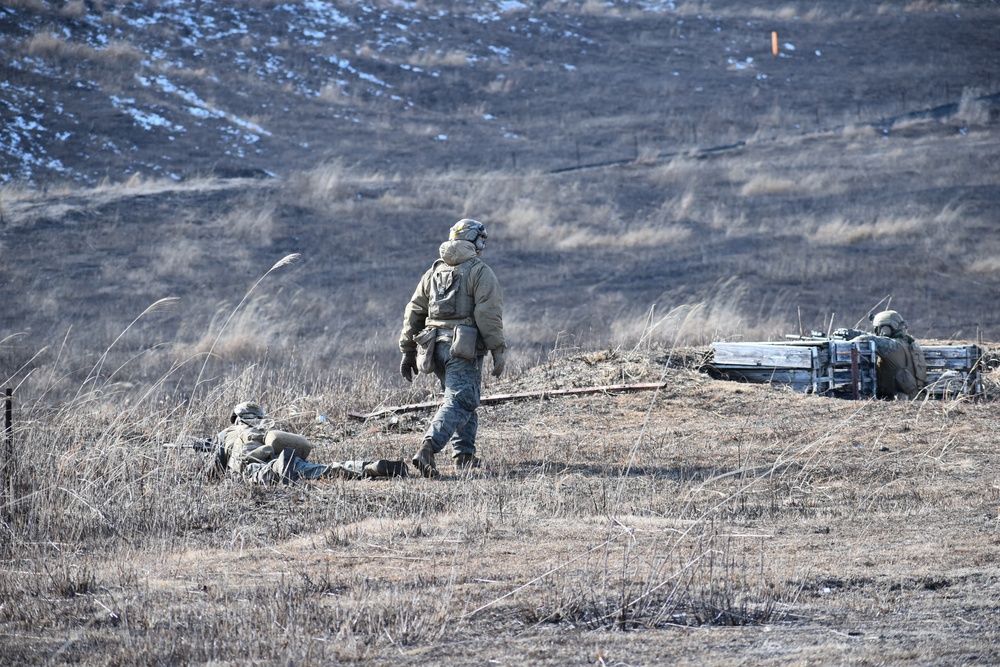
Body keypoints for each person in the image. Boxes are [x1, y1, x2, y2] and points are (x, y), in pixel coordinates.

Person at [398, 219, 506, 477]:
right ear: (474, 241)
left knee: (462, 398)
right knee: (462, 399)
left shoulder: (433, 272)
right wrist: (498, 350)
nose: (483, 245)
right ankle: (428, 448)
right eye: (481, 240)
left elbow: (414, 311)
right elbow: (489, 314)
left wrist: (408, 350)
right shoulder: (480, 272)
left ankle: (464, 455)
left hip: (433, 348)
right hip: (462, 348)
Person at [209, 402, 408, 483]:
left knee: (259, 474)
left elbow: (214, 471)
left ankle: (278, 467)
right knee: (324, 470)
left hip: (255, 461)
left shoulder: (227, 432)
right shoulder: (266, 426)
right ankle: (367, 467)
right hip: (282, 454)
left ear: (236, 417)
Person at [843, 310, 927, 399]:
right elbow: (877, 339)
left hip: (898, 399)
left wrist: (844, 342)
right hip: (913, 397)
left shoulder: (892, 346)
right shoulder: (906, 343)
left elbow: (866, 339)